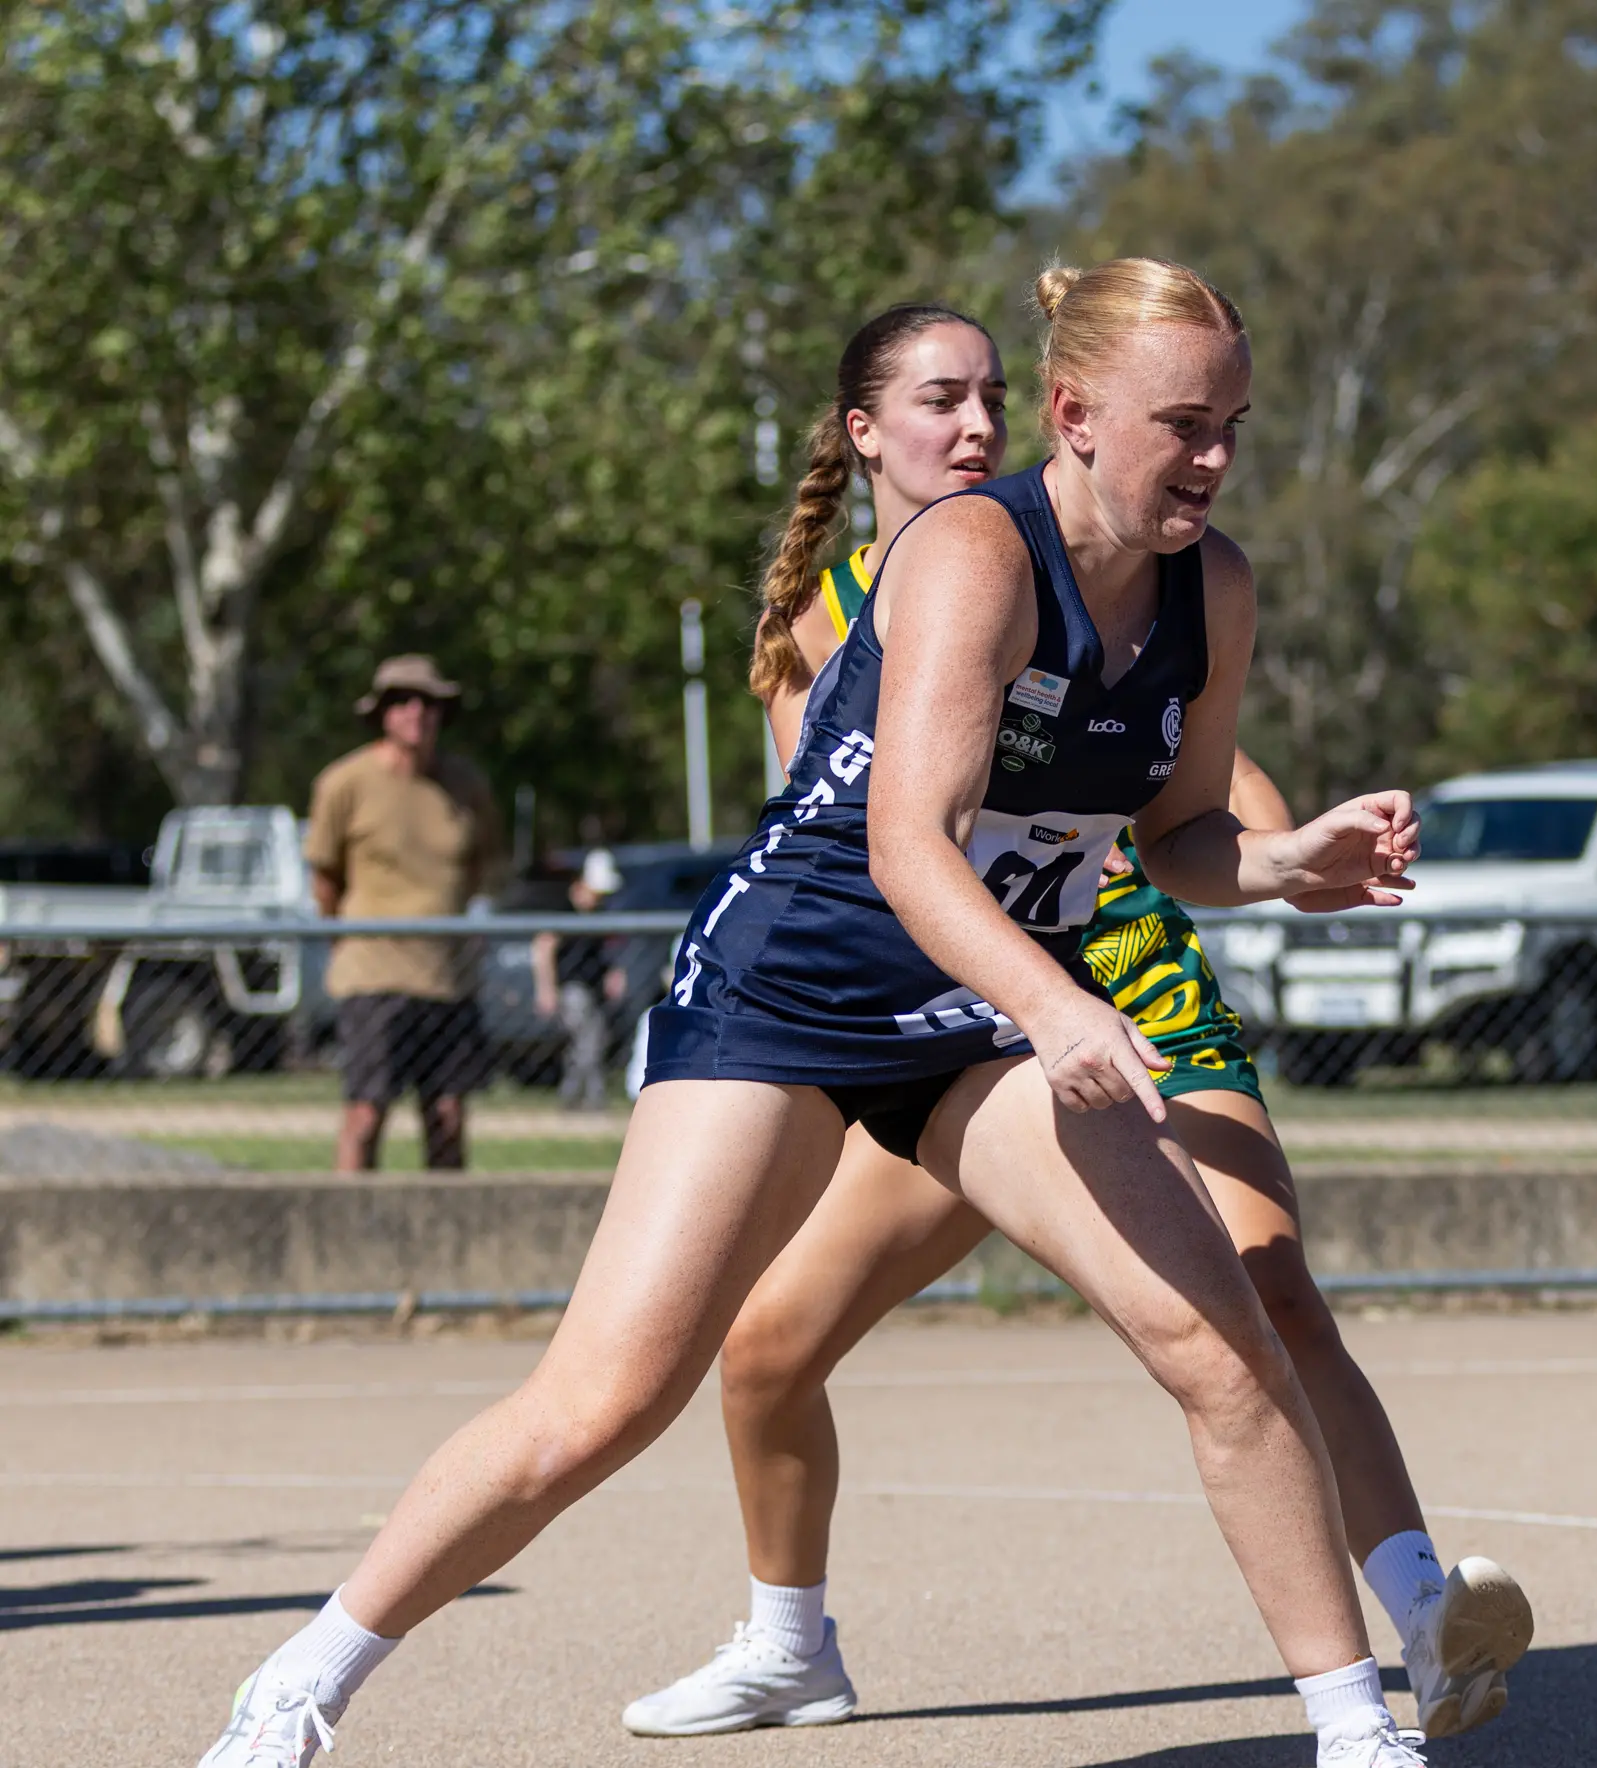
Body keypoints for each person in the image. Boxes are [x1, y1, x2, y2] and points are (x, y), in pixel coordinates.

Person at [196, 259, 1440, 1768]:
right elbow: (906, 847)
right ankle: (304, 1684)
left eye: (1234, 423)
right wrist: (1058, 1007)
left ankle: (1354, 1729)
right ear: (1078, 418)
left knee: (1222, 1347)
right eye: (1185, 425)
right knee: (608, 1400)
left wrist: (1286, 861)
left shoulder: (1212, 586)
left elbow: (1176, 836)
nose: (1216, 458)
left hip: (979, 1016)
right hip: (798, 984)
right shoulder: (980, 555)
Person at [613, 301, 1528, 1743]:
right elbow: (857, 853)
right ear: (863, 436)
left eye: (989, 399)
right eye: (938, 403)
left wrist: (1284, 863)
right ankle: (789, 1643)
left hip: (1123, 998)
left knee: (1260, 1295)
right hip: (949, 1025)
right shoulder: (830, 616)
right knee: (765, 1345)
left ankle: (1417, 1608)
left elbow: (1205, 796)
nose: (972, 427)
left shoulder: (1123, 567)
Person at [305, 654, 506, 1171]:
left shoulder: (466, 785)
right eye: (402, 701)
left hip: (448, 978)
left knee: (447, 1117)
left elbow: (487, 866)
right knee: (365, 1115)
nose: (417, 711)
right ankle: (347, 1230)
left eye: (430, 701)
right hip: (373, 976)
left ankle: (445, 1239)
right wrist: (346, 941)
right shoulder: (344, 782)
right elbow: (324, 880)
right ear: (382, 713)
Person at [529, 848, 628, 1113]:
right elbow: (543, 948)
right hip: (571, 988)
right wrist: (546, 989)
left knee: (587, 1043)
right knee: (590, 1040)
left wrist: (612, 973)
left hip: (591, 987)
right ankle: (591, 1099)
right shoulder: (564, 908)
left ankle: (573, 1099)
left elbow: (603, 952)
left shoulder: (597, 912)